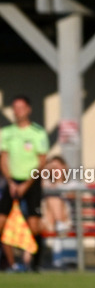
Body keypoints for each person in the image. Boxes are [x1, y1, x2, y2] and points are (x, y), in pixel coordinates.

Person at [0, 96, 48, 271]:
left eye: (21, 107)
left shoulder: (38, 133)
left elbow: (42, 161)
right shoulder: (6, 133)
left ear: (28, 109)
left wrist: (26, 184)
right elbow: (3, 159)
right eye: (15, 108)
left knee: (34, 226)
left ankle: (35, 264)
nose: (17, 111)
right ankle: (11, 264)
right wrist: (11, 182)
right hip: (12, 182)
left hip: (31, 181)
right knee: (2, 223)